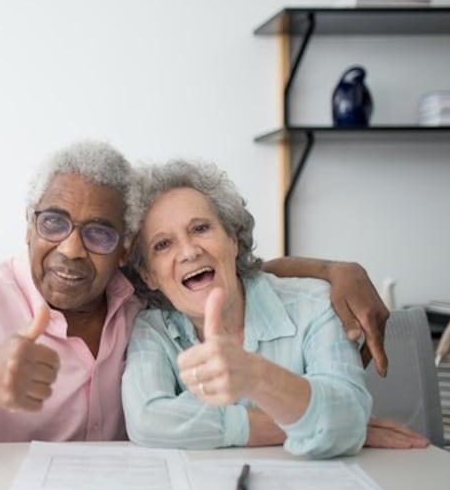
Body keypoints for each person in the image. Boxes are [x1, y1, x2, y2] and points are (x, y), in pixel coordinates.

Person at [0, 140, 400, 448]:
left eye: (98, 233)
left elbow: (226, 270)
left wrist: (333, 269)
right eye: (54, 222)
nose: (71, 250)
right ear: (29, 224)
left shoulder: (132, 294)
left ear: (124, 250)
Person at [122, 159, 388, 457]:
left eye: (200, 228)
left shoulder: (317, 306)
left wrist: (255, 376)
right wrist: (300, 422)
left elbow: (347, 417)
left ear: (233, 240)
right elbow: (147, 421)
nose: (189, 251)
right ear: (148, 276)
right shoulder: (152, 328)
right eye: (162, 245)